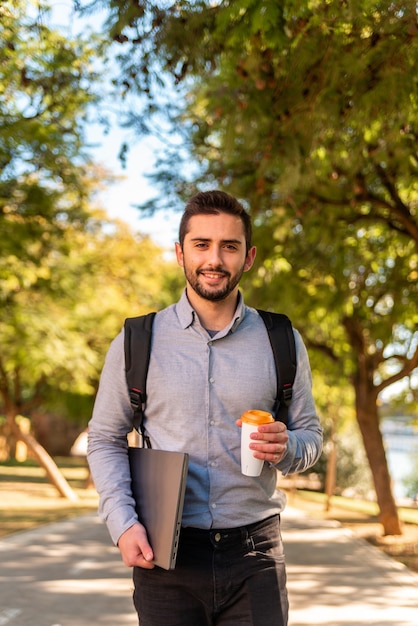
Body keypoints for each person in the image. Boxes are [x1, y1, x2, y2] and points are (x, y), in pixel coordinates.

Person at [87, 189, 323, 626]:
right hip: (165, 555)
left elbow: (311, 437)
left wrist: (287, 446)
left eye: (229, 246)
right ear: (180, 253)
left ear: (248, 257)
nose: (214, 259)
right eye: (201, 244)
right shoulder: (137, 341)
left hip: (257, 555)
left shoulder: (282, 341)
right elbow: (104, 438)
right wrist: (122, 524)